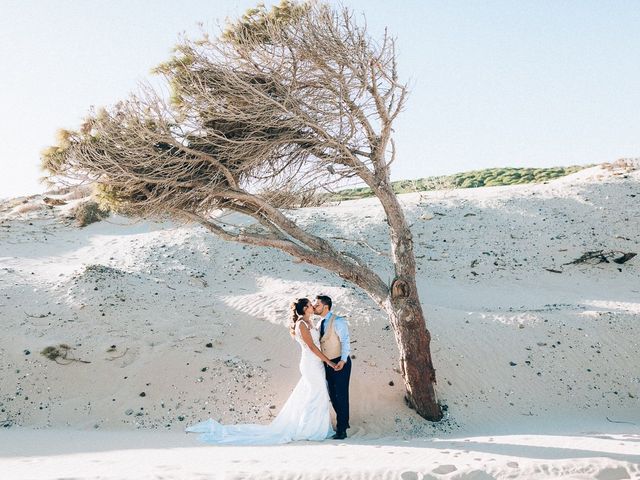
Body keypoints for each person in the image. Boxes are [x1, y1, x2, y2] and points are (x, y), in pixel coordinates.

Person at [186, 298, 337, 445]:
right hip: (310, 363)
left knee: (316, 393)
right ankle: (307, 430)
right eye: (310, 305)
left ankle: (314, 427)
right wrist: (328, 361)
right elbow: (311, 347)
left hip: (316, 363)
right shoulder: (301, 324)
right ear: (305, 309)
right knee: (315, 393)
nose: (313, 307)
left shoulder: (310, 322)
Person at [314, 295, 352, 440]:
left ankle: (342, 428)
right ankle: (343, 422)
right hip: (327, 363)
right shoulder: (319, 323)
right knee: (332, 395)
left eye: (317, 304)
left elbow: (345, 341)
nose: (315, 306)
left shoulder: (338, 321)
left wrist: (343, 360)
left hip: (340, 361)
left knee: (341, 395)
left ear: (325, 306)